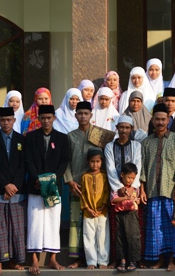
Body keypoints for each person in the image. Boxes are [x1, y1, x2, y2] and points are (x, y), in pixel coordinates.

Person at [139, 103, 175, 271]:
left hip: (170, 190)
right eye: (157, 119)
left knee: (171, 227)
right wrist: (142, 189)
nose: (160, 122)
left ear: (168, 120)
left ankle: (172, 260)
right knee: (154, 227)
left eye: (163, 119)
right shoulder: (146, 142)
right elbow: (142, 167)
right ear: (152, 120)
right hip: (152, 190)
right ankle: (158, 259)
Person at [25, 104, 70, 274]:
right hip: (35, 186)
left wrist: (50, 180)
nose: (46, 121)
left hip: (52, 187)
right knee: (35, 222)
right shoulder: (30, 137)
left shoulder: (61, 138)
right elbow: (28, 160)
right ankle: (34, 259)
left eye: (49, 118)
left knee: (52, 221)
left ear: (54, 118)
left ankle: (52, 258)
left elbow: (64, 162)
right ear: (38, 119)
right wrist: (38, 179)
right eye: (43, 118)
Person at [0, 107, 26, 274]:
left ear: (14, 120)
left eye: (9, 119)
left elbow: (23, 165)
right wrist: (5, 185)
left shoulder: (21, 140)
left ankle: (15, 260)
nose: (6, 123)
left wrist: (14, 185)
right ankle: (0, 260)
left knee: (16, 228)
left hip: (17, 191)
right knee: (0, 227)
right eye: (2, 120)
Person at [64, 101, 96, 268]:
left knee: (92, 221)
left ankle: (93, 257)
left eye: (86, 113)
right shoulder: (70, 136)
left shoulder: (98, 135)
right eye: (80, 113)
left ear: (91, 115)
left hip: (94, 186)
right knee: (76, 222)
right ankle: (77, 258)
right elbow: (65, 161)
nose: (83, 116)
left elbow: (103, 158)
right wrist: (69, 181)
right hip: (75, 186)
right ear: (75, 115)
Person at [80, 147, 111, 270]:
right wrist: (87, 208)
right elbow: (82, 194)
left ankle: (103, 261)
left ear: (101, 162)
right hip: (88, 213)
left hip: (102, 212)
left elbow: (106, 192)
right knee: (88, 237)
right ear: (88, 162)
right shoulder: (85, 176)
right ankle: (91, 262)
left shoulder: (104, 176)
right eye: (92, 161)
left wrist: (103, 206)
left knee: (102, 237)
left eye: (98, 161)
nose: (95, 164)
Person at [111, 162, 142, 273]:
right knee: (120, 237)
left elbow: (137, 199)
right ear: (122, 175)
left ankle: (133, 261)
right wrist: (125, 198)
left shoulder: (135, 188)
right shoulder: (117, 187)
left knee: (133, 236)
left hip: (132, 214)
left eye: (133, 178)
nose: (130, 180)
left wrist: (136, 200)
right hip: (120, 214)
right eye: (128, 177)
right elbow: (114, 200)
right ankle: (122, 261)